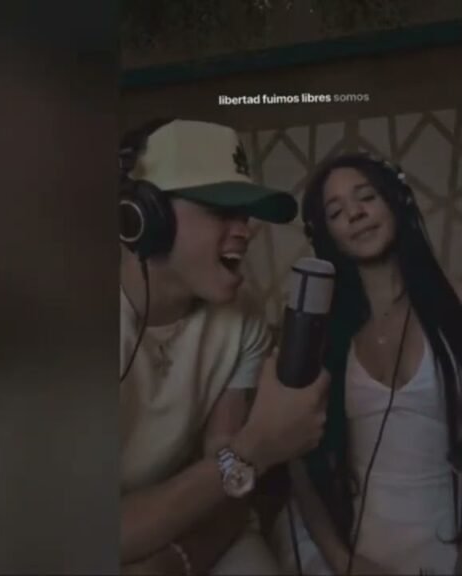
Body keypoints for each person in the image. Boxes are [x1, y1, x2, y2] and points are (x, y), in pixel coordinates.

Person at [119, 118, 330, 575]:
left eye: (246, 213)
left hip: (197, 515)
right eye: (220, 209)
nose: (245, 231)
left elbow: (229, 484)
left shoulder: (243, 315)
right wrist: (255, 448)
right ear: (142, 216)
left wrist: (175, 562)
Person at [270, 153, 462, 575]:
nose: (355, 214)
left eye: (366, 197)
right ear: (326, 234)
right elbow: (297, 461)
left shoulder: (460, 303)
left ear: (398, 201)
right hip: (361, 553)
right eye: (336, 211)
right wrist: (342, 562)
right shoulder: (326, 336)